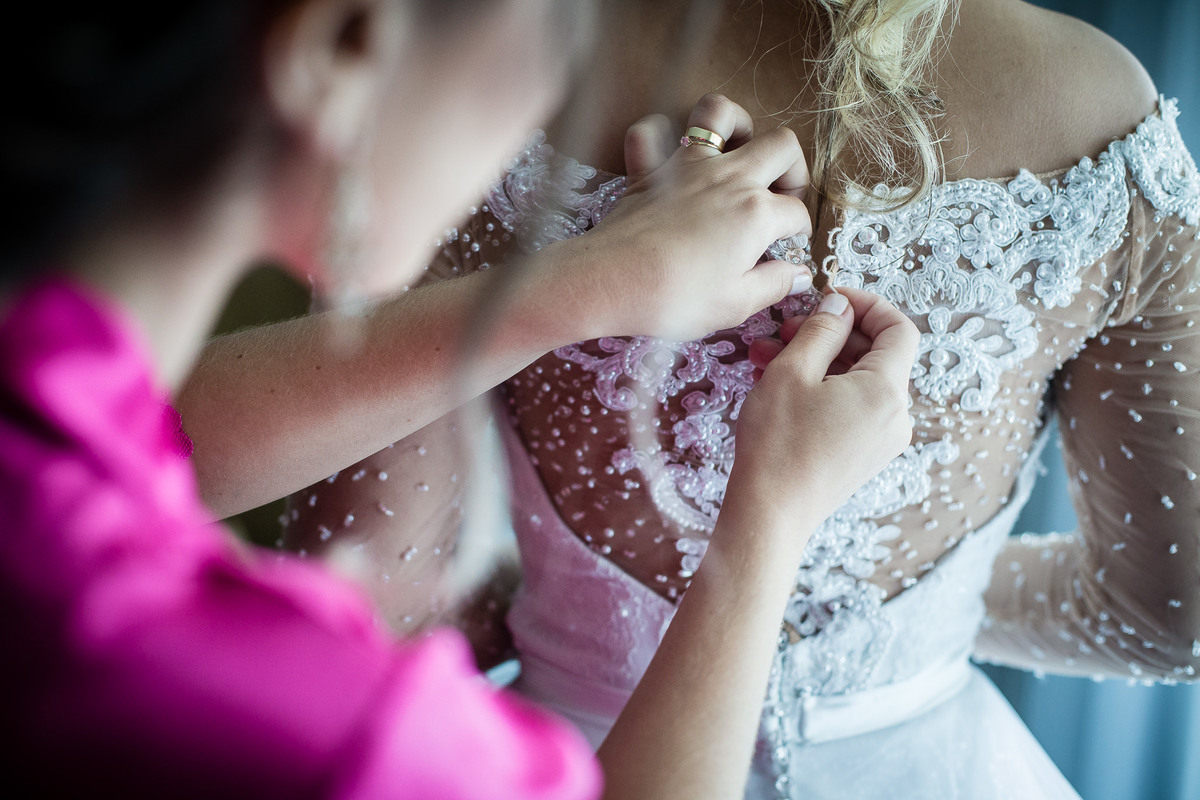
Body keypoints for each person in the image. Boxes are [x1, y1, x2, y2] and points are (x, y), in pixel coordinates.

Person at [273, 0, 1200, 797]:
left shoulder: (503, 63)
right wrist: (923, 613)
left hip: (569, 761)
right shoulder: (1102, 116)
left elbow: (369, 608)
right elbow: (1171, 618)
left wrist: (572, 615)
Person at [0, 0, 922, 798]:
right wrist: (768, 517)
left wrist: (584, 282)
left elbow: (151, 436)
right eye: (562, 38)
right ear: (345, 42)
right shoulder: (328, 724)